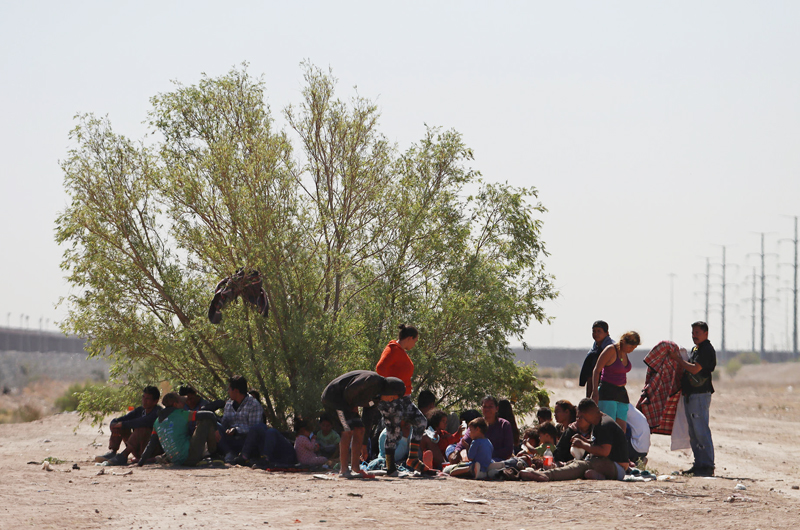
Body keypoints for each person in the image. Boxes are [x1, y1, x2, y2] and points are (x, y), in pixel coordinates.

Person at [321, 369, 406, 479]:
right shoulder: (373, 380)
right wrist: (352, 405)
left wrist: (364, 444)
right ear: (389, 391)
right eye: (392, 398)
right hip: (334, 398)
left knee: (359, 429)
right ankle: (344, 470)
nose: (390, 401)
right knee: (347, 430)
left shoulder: (376, 398)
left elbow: (367, 419)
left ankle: (356, 468)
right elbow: (350, 390)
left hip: (347, 404)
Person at [520, 398, 629, 482]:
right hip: (606, 463)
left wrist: (583, 445)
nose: (578, 420)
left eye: (580, 417)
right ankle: (598, 476)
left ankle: (547, 475)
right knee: (578, 465)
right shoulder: (597, 422)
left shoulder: (605, 424)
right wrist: (582, 440)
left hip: (617, 467)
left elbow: (604, 451)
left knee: (582, 465)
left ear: (588, 414)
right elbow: (597, 444)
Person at [375, 324, 434, 474]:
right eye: (415, 341)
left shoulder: (401, 352)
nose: (415, 344)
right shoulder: (393, 349)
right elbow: (380, 369)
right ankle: (390, 467)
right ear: (409, 338)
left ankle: (412, 459)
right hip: (392, 400)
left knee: (421, 421)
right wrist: (387, 391)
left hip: (404, 399)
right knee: (393, 431)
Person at [671, 321, 716, 477]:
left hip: (700, 395)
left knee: (701, 430)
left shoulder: (706, 350)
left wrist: (677, 359)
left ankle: (708, 465)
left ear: (705, 333)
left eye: (697, 332)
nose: (694, 336)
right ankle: (699, 464)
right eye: (693, 333)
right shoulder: (697, 349)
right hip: (691, 394)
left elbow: (695, 369)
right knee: (694, 431)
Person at [138, 392, 218, 467]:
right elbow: (210, 414)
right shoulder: (180, 413)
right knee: (206, 421)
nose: (184, 404)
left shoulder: (157, 421)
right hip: (190, 458)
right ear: (175, 404)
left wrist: (141, 461)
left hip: (175, 460)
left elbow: (151, 444)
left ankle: (166, 457)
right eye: (181, 402)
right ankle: (213, 454)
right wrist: (216, 431)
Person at [95, 385, 162, 466]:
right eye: (143, 397)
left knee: (141, 428)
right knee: (120, 427)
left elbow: (143, 421)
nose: (144, 401)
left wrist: (122, 424)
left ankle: (123, 455)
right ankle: (113, 452)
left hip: (151, 451)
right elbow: (123, 419)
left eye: (148, 399)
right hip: (138, 448)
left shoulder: (158, 412)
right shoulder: (140, 410)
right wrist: (114, 424)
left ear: (155, 401)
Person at [591, 331, 641, 433]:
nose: (632, 350)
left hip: (621, 392)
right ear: (623, 341)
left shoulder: (625, 353)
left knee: (622, 429)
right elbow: (596, 370)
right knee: (609, 426)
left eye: (634, 348)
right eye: (631, 347)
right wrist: (595, 391)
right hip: (607, 391)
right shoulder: (611, 350)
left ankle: (618, 448)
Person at [450, 396, 514, 463]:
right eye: (485, 407)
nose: (487, 409)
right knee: (450, 448)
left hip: (495, 459)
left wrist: (483, 454)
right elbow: (464, 442)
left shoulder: (504, 425)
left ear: (497, 408)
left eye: (490, 406)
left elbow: (508, 450)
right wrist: (457, 452)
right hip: (475, 458)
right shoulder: (476, 423)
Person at [217, 375, 264, 464]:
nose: (228, 392)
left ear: (236, 391)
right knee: (214, 425)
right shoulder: (229, 404)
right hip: (230, 439)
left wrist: (236, 430)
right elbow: (224, 423)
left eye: (229, 389)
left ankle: (242, 456)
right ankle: (228, 453)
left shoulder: (254, 405)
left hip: (245, 442)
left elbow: (254, 430)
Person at [580, 320, 615, 398]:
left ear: (607, 333)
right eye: (594, 331)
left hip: (608, 384)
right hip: (594, 383)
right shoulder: (595, 347)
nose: (596, 334)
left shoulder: (612, 347)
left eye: (599, 331)